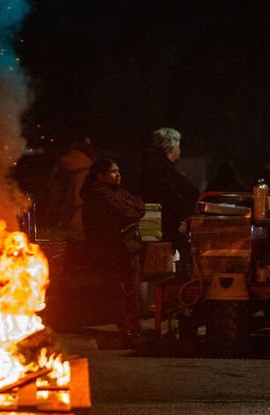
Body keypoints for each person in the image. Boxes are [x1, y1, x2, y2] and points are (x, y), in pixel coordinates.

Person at [80, 158, 146, 349]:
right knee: (118, 292)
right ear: (100, 176)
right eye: (113, 172)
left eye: (119, 171)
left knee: (133, 291)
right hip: (110, 250)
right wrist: (132, 211)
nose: (118, 175)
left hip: (126, 248)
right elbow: (126, 212)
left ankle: (135, 330)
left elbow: (139, 206)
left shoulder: (117, 192)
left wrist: (133, 210)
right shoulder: (97, 194)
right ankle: (127, 331)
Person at [140, 127, 198, 278]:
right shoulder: (159, 166)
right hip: (161, 225)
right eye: (178, 145)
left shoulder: (154, 164)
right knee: (161, 270)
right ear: (171, 146)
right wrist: (188, 210)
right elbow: (171, 196)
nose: (180, 149)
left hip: (159, 223)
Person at [50, 137, 95, 239]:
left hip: (72, 209)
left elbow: (56, 189)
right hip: (85, 208)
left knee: (73, 241)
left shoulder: (64, 163)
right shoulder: (91, 164)